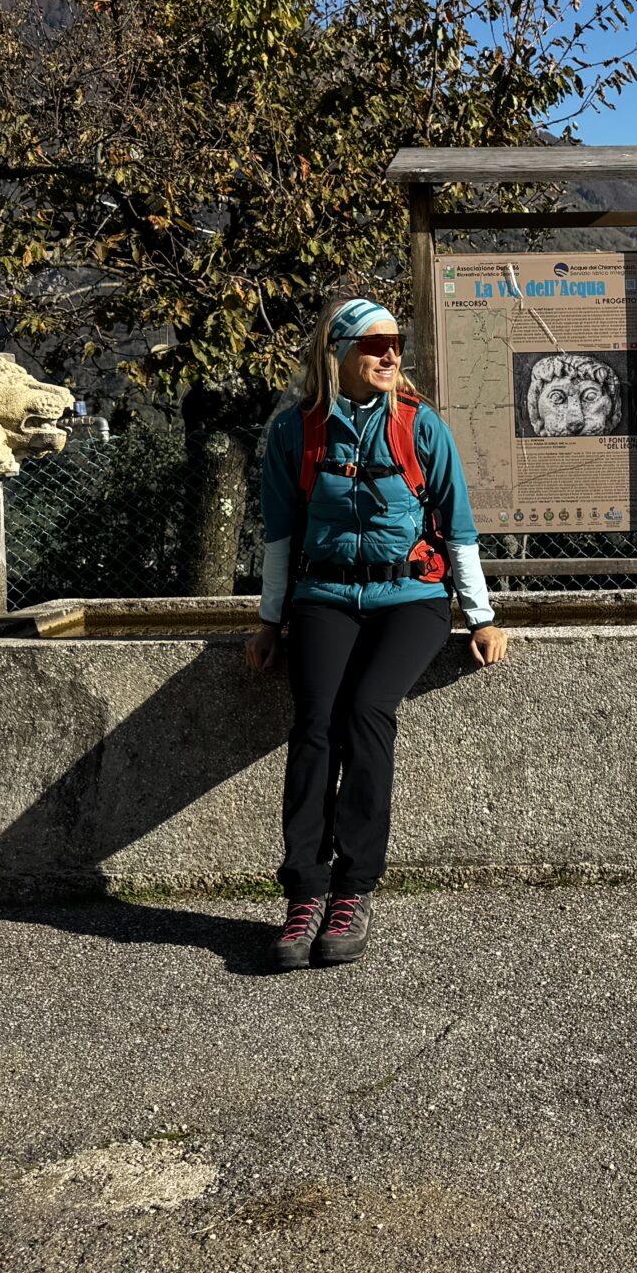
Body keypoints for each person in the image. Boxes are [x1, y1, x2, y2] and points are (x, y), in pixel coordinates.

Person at [244, 294, 510, 970]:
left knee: (366, 711)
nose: (391, 353)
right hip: (324, 593)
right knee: (314, 724)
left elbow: (459, 526)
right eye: (374, 344)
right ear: (337, 355)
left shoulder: (423, 428)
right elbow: (279, 537)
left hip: (410, 597)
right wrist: (270, 620)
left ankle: (354, 890)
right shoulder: (294, 433)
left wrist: (480, 616)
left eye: (395, 342)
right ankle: (304, 892)